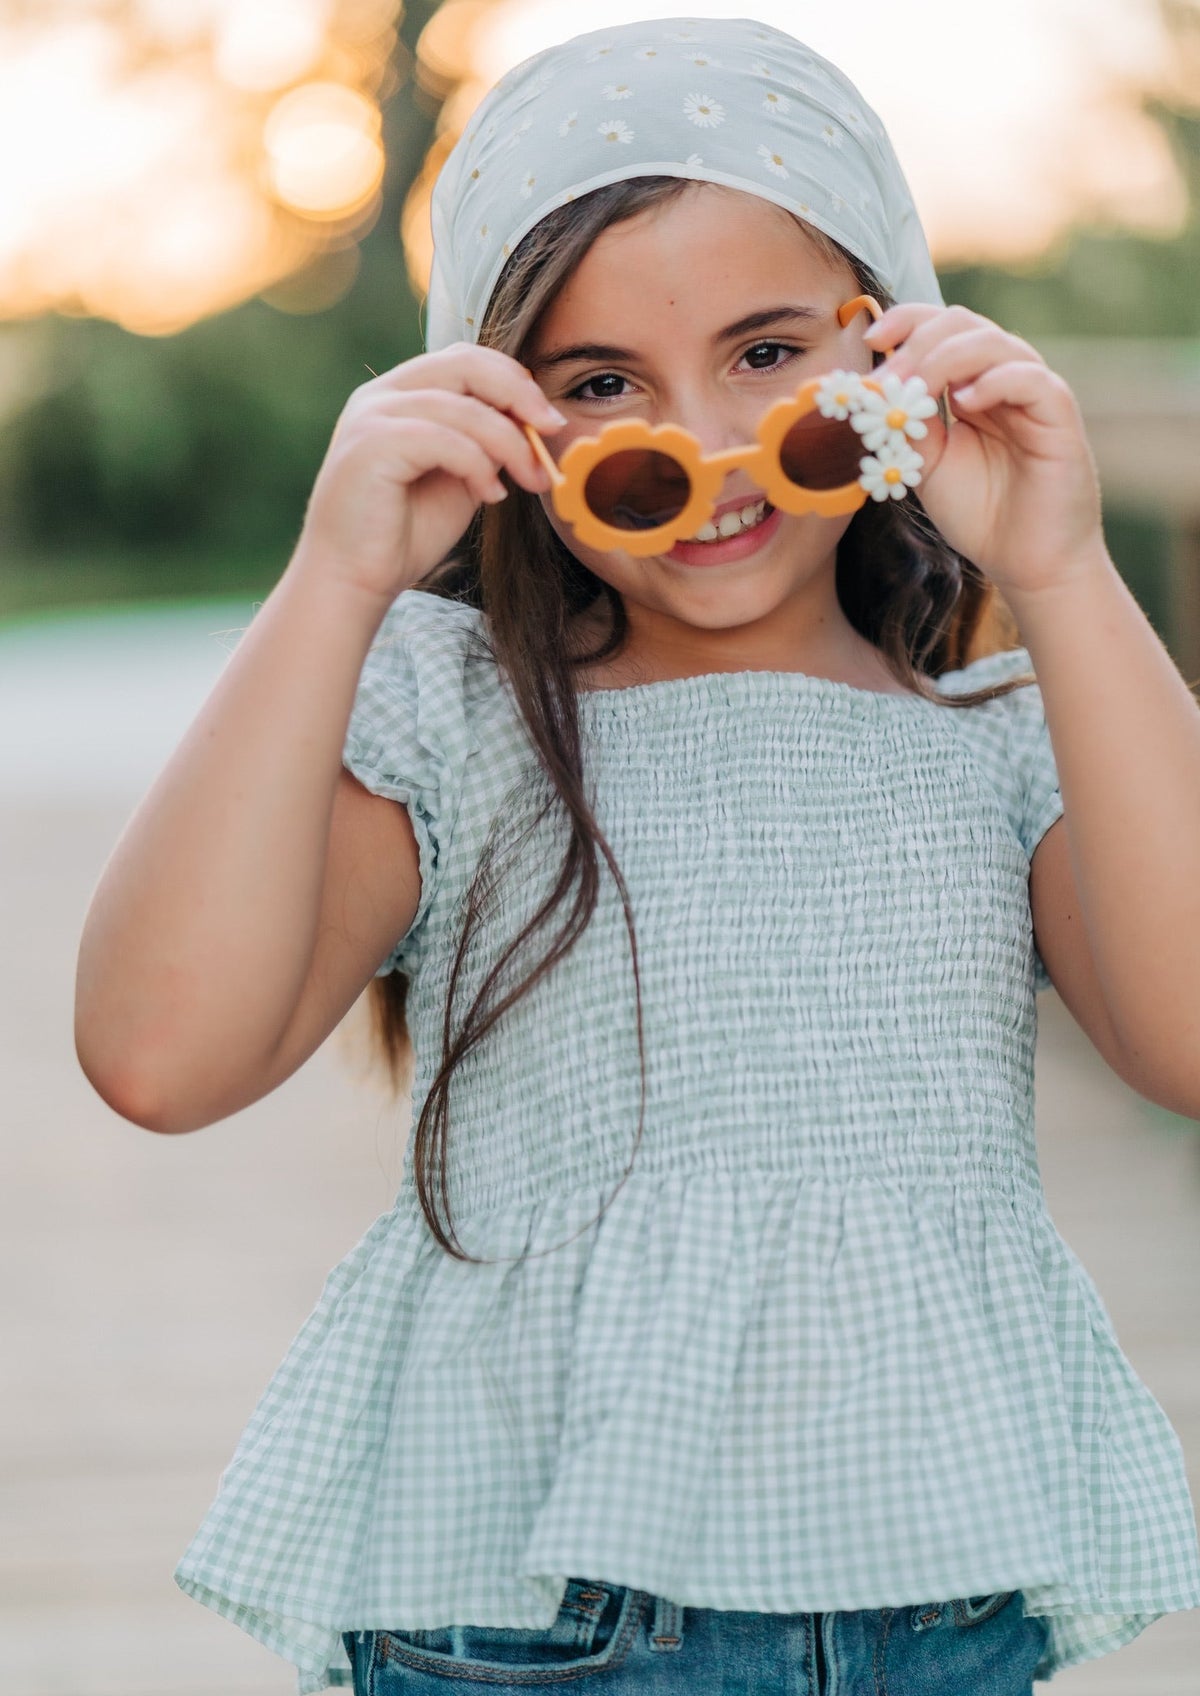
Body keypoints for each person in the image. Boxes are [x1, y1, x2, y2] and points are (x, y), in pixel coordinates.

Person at [74, 16, 1200, 1696]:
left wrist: (1062, 569)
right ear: (509, 426)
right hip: (533, 1603)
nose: (712, 447)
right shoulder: (463, 713)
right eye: (603, 386)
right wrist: (334, 582)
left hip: (933, 1580)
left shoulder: (1006, 731)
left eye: (769, 353)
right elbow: (160, 1055)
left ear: (893, 344)